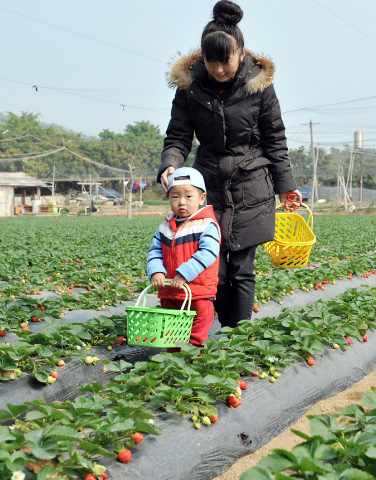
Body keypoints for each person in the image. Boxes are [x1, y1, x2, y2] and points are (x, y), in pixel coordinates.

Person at [157, 0, 300, 329]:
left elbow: (274, 139)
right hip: (208, 189)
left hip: (252, 185)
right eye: (212, 61)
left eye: (226, 61)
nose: (219, 69)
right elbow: (178, 137)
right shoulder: (190, 89)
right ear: (203, 58)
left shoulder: (260, 86)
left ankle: (239, 336)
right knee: (214, 270)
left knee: (241, 269)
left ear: (241, 53)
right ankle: (227, 329)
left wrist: (286, 187)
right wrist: (170, 165)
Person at [147, 168, 221, 348]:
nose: (181, 202)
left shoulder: (207, 225)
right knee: (171, 334)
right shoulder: (165, 226)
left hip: (198, 294)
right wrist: (156, 270)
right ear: (168, 198)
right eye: (175, 197)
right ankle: (175, 366)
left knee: (196, 336)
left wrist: (184, 274)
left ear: (201, 198)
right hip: (170, 291)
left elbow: (208, 253)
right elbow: (155, 251)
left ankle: (194, 367)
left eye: (189, 197)